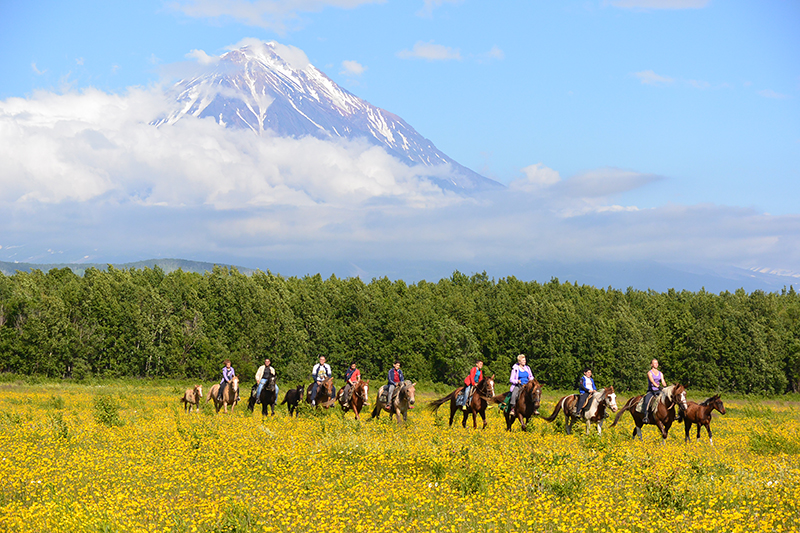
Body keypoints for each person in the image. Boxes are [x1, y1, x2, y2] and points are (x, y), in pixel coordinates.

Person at [642, 359, 667, 423]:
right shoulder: (649, 373)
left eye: (657, 363)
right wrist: (658, 386)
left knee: (668, 399)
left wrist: (665, 387)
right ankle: (645, 417)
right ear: (651, 365)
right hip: (651, 391)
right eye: (655, 363)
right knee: (646, 401)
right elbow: (652, 381)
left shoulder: (660, 373)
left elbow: (663, 381)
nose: (656, 364)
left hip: (659, 390)